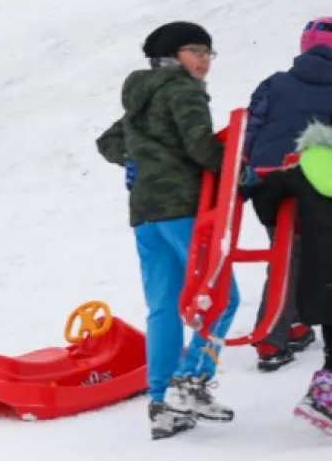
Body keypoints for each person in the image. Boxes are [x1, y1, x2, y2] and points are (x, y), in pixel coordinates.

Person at [96, 21, 242, 440]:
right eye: (196, 50)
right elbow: (201, 147)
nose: (204, 61)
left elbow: (108, 142)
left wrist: (140, 159)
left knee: (163, 306)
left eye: (209, 53)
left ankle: (161, 403)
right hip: (182, 208)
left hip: (145, 213)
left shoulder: (142, 96)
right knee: (222, 297)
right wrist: (242, 172)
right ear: (171, 55)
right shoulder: (182, 90)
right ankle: (191, 381)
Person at [241, 17, 332, 371]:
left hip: (268, 179)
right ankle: (288, 328)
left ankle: (281, 331)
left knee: (286, 251)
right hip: (315, 178)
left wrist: (245, 173)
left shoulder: (275, 83)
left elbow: (253, 126)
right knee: (319, 256)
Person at [249, 119, 332, 434]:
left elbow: (265, 195)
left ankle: (324, 398)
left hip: (320, 271)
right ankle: (323, 402)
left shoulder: (302, 169)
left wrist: (284, 221)